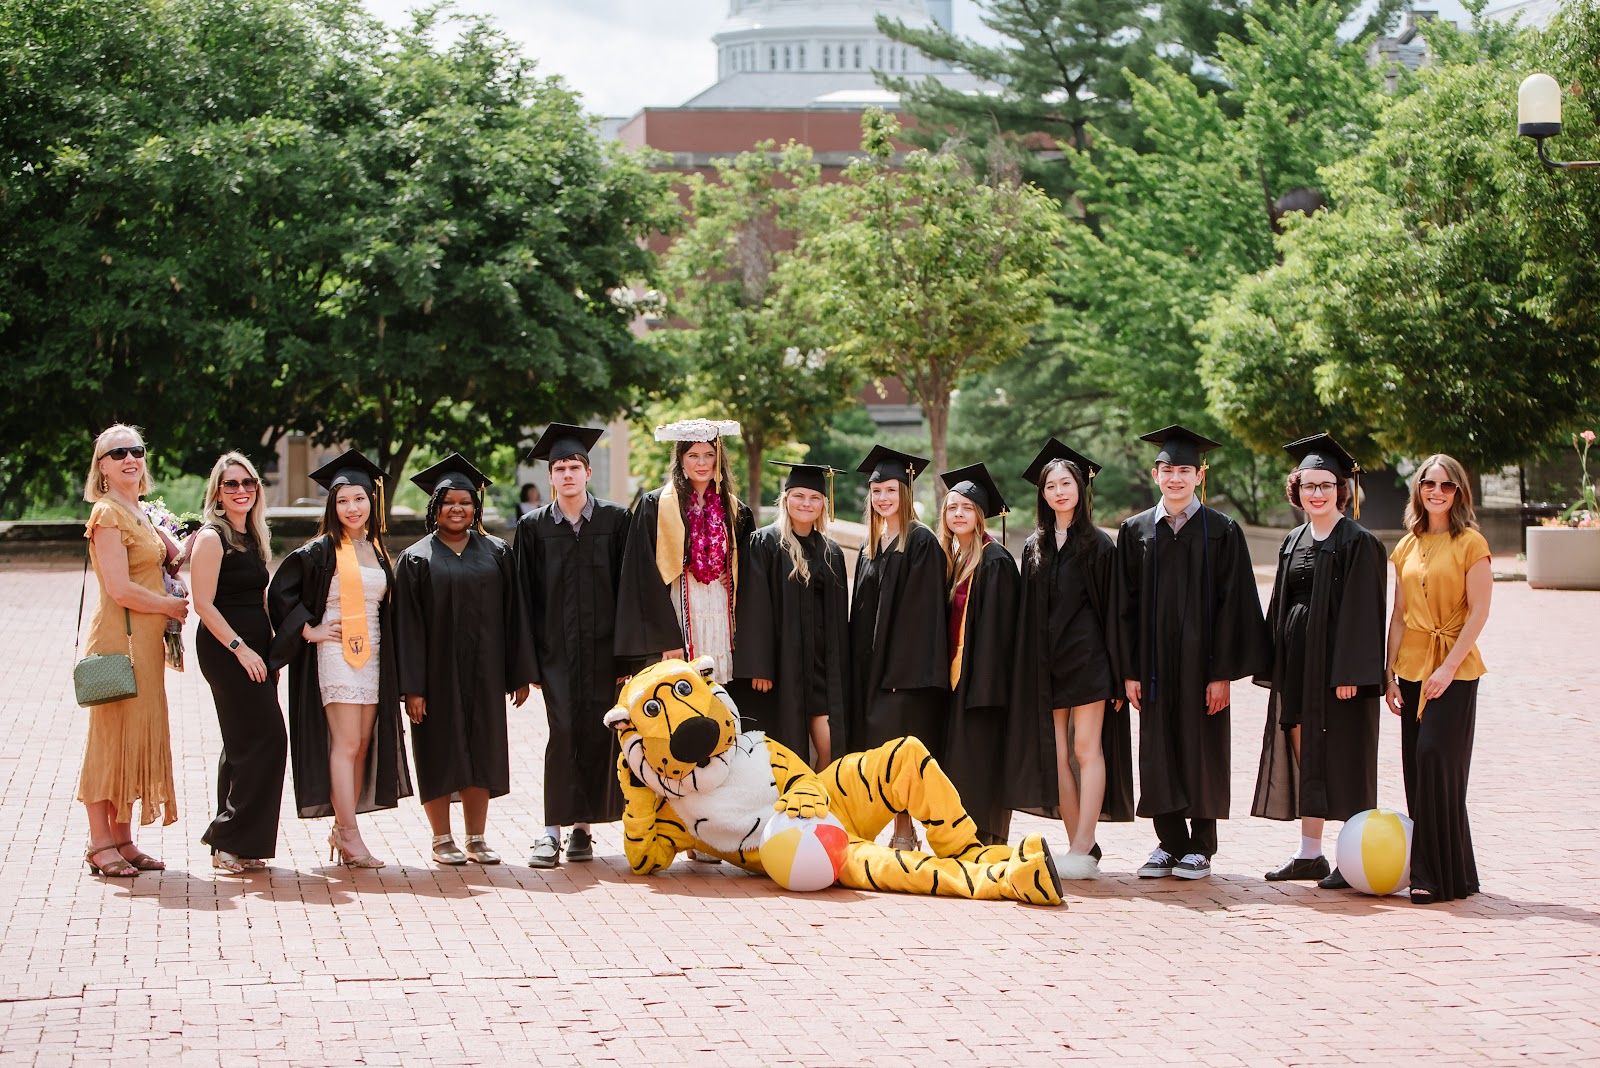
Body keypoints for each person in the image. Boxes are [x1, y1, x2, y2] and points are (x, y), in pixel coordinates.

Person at [1118, 425, 1268, 880]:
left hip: (1204, 665)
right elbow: (1123, 606)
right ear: (1155, 473)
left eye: (1185, 470)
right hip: (1155, 665)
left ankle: (1200, 846)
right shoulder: (1136, 530)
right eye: (1168, 470)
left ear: (1200, 475)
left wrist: (1222, 673)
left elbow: (1236, 605)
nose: (1176, 478)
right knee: (1158, 746)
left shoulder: (1222, 531)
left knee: (1203, 748)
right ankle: (1168, 842)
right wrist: (1129, 670)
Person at [1252, 435, 1388, 887]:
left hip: (1337, 669)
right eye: (1308, 486)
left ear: (1341, 490)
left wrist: (1350, 672)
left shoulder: (1359, 542)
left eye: (1326, 485)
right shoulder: (1293, 539)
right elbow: (1280, 600)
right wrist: (1273, 662)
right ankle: (1310, 854)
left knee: (1343, 755)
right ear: (1297, 491)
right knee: (1304, 749)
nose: (1317, 493)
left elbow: (1366, 612)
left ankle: (1353, 857)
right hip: (1298, 662)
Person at [267, 449, 413, 869]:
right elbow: (281, 593)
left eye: (359, 499)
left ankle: (341, 828)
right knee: (346, 743)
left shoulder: (375, 548)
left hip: (374, 656)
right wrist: (308, 630)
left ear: (372, 502)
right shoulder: (320, 551)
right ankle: (349, 835)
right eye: (343, 500)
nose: (352, 507)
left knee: (362, 744)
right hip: (337, 653)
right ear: (332, 505)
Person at [393, 453, 536, 866]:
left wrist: (518, 673)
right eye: (449, 502)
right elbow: (408, 626)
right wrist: (413, 688)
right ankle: (441, 838)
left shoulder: (497, 552)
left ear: (476, 508)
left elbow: (515, 614)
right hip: (435, 677)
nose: (458, 509)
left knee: (483, 749)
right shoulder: (417, 558)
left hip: (486, 672)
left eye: (466, 502)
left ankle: (476, 838)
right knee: (438, 749)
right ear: (434, 509)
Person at [514, 424, 641, 869]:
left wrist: (629, 657)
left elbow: (630, 591)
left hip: (606, 652)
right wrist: (525, 664)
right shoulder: (532, 528)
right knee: (563, 733)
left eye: (575, 467)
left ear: (588, 473)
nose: (567, 475)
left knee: (597, 733)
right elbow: (522, 597)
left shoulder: (615, 521)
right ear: (550, 477)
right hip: (555, 653)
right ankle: (550, 830)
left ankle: (583, 830)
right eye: (559, 468)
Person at [1005, 439, 1133, 878]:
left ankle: (1082, 844)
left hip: (1090, 660)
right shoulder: (1033, 546)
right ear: (1042, 495)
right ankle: (1080, 846)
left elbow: (1115, 613)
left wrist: (1118, 674)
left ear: (1080, 488)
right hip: (1047, 663)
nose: (1059, 491)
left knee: (1085, 749)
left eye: (1066, 483)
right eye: (1051, 485)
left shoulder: (1099, 546)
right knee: (1055, 752)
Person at [78, 424, 187, 877]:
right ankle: (99, 843)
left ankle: (122, 839)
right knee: (110, 739)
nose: (130, 459)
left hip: (145, 643)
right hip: (118, 641)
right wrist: (169, 605)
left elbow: (169, 560)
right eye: (117, 452)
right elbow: (120, 589)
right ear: (101, 467)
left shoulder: (140, 510)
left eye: (137, 450)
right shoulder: (106, 515)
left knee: (135, 736)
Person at [1385, 454, 1492, 904]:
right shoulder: (1406, 546)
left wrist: (1448, 668)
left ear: (1459, 493)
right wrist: (1388, 673)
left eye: (1446, 486)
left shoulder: (1471, 543)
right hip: (1410, 671)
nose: (1436, 492)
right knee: (1416, 772)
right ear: (1418, 490)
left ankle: (1431, 874)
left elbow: (1480, 611)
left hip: (1455, 671)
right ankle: (1455, 874)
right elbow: (1399, 615)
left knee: (1437, 765)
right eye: (1429, 484)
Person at [188, 451, 287, 874]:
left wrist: (271, 650)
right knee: (267, 739)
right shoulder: (213, 537)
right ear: (217, 492)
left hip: (255, 651)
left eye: (248, 483)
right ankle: (228, 837)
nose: (241, 491)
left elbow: (260, 598)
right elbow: (203, 604)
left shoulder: (252, 535)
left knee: (241, 743)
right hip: (226, 650)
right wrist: (241, 648)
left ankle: (236, 844)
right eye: (232, 484)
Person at [847, 445, 947, 851]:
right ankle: (879, 828)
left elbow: (922, 619)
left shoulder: (920, 542)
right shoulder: (871, 544)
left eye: (891, 490)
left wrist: (896, 674)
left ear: (905, 493)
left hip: (901, 676)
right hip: (871, 670)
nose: (883, 498)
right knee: (875, 753)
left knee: (900, 754)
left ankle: (906, 831)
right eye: (877, 491)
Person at [730, 461, 851, 770]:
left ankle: (824, 803)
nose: (806, 504)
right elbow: (755, 606)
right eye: (798, 496)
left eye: (814, 498)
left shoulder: (831, 550)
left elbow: (839, 614)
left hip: (823, 664)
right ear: (785, 499)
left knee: (830, 741)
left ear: (824, 504)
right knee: (788, 742)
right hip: (783, 663)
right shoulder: (765, 543)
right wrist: (761, 665)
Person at [615, 419, 754, 685]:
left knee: (721, 693)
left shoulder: (735, 509)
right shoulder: (656, 506)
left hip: (721, 615)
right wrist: (666, 638)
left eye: (709, 455)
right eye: (693, 455)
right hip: (675, 615)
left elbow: (750, 565)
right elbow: (643, 575)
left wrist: (735, 576)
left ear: (719, 460)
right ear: (681, 459)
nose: (702, 463)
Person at [935, 463, 1021, 847]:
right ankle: (962, 838)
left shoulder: (996, 561)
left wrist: (986, 687)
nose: (958, 514)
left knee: (982, 759)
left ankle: (988, 838)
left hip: (984, 684)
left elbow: (1003, 634)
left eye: (966, 508)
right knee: (959, 761)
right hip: (957, 679)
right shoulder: (953, 559)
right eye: (952, 508)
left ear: (980, 515)